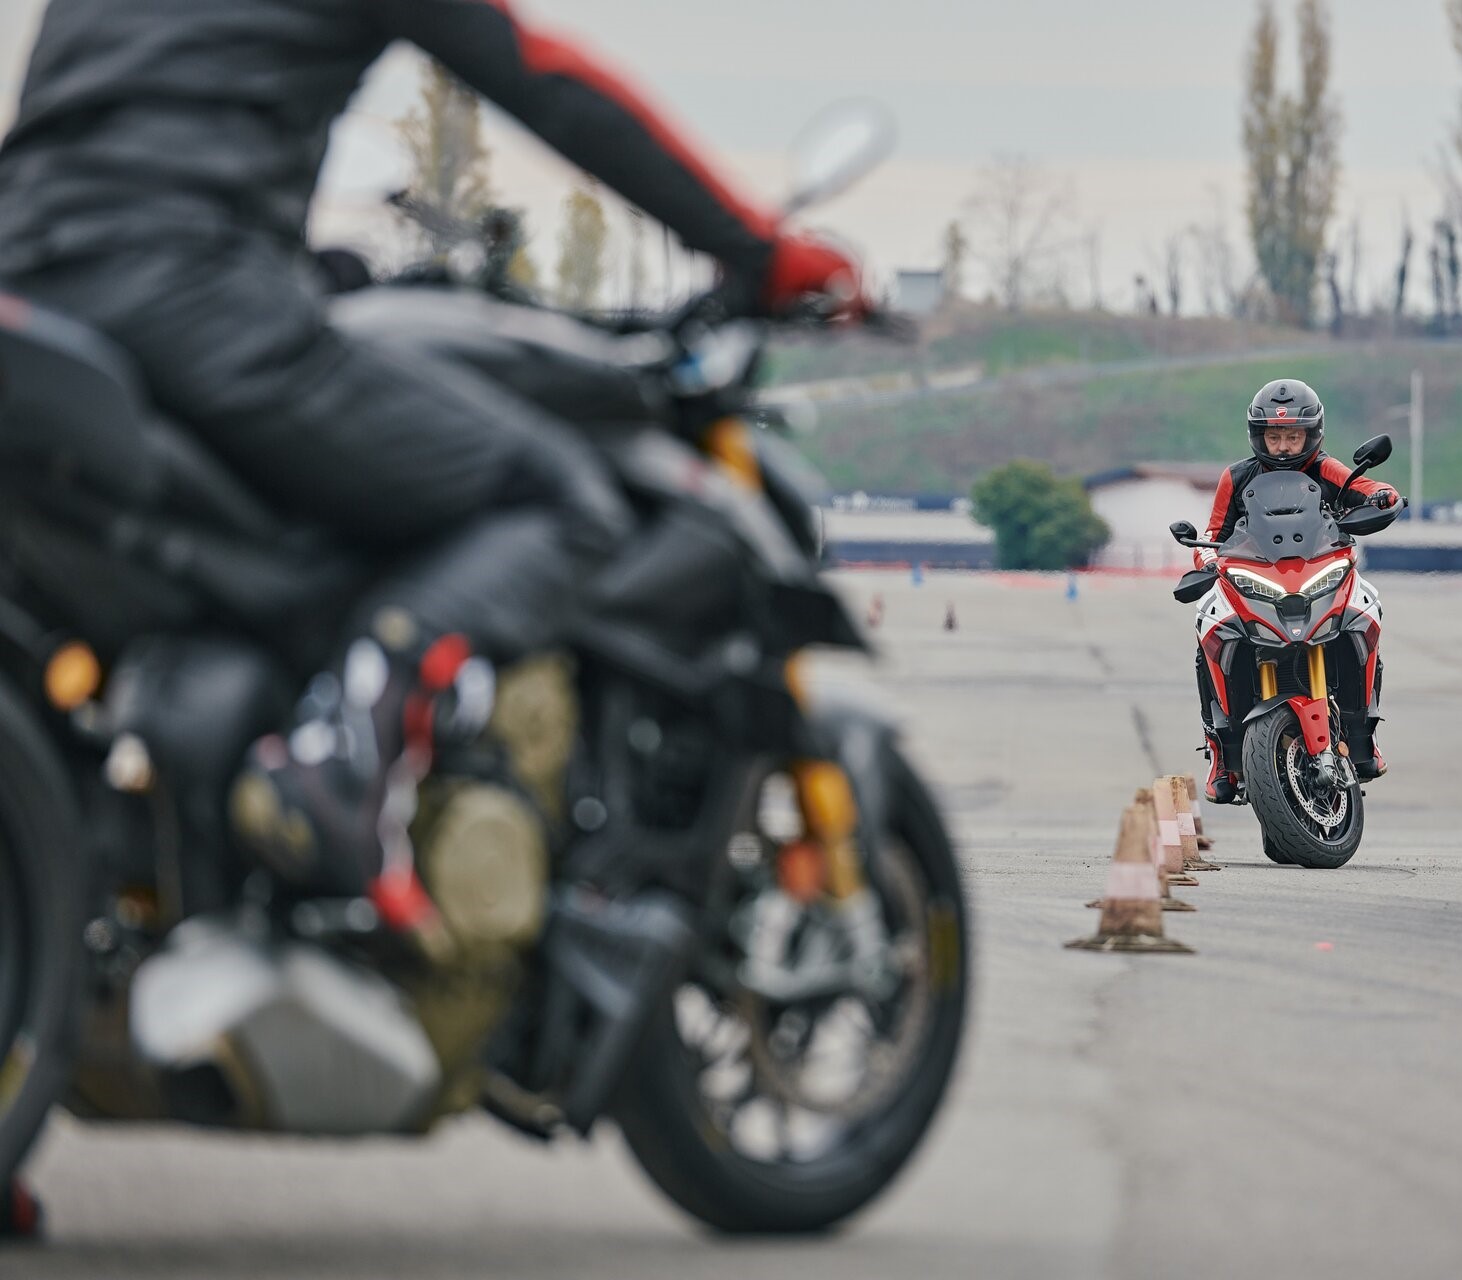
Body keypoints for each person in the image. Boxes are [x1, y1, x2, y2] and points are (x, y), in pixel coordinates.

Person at [0, 0, 864, 904]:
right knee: (556, 496)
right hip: (190, 299)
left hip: (44, 304)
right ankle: (339, 770)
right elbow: (546, 77)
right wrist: (756, 250)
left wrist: (320, 272)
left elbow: (122, 142)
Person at [1193, 378, 1398, 802]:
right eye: (1274, 436)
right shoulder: (1235, 478)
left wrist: (1382, 495)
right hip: (1257, 580)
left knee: (1366, 611)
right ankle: (1220, 750)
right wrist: (1208, 560)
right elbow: (1213, 534)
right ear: (1258, 436)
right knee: (1208, 629)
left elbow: (1369, 490)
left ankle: (1362, 732)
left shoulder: (1326, 468)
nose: (1284, 446)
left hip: (1318, 574)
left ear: (1312, 434)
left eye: (1292, 436)